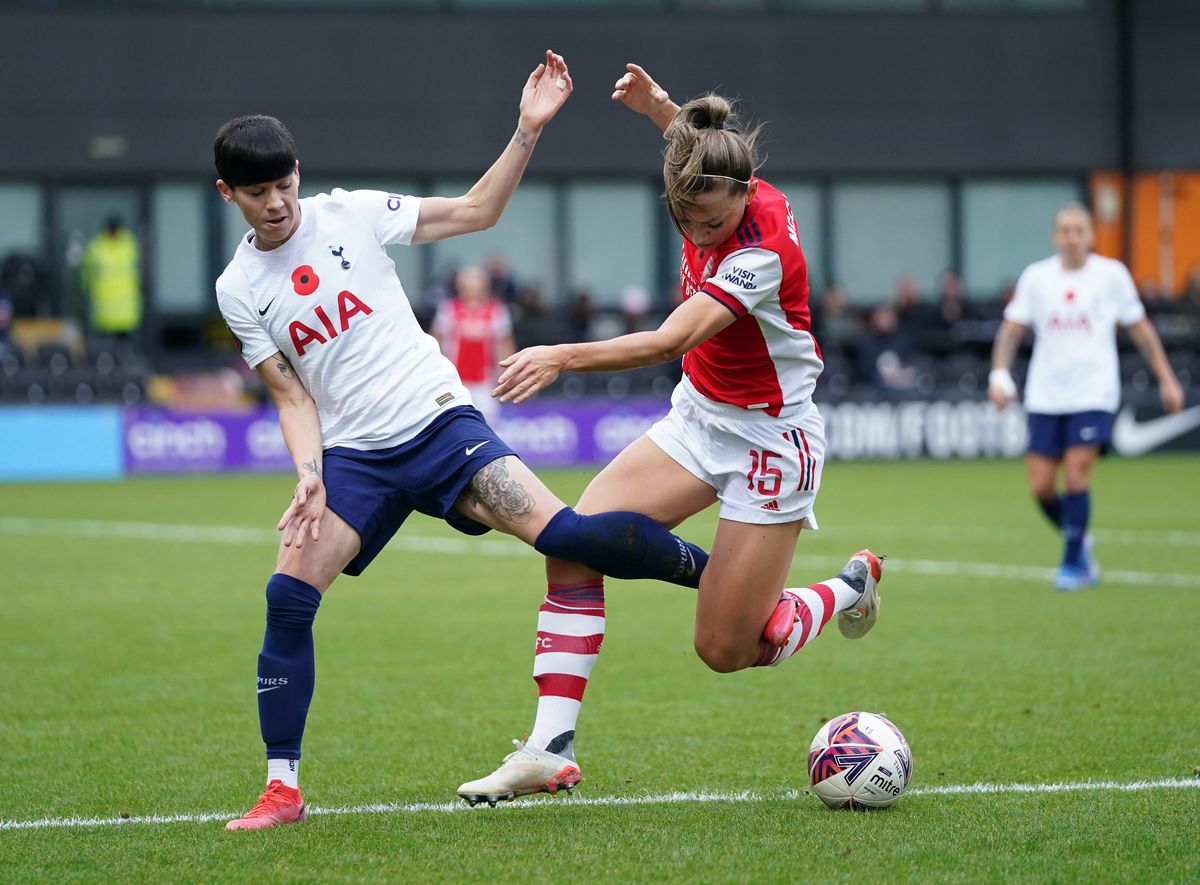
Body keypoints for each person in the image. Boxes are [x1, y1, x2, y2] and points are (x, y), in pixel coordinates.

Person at [213, 52, 716, 831]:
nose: (277, 204)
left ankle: (742, 593)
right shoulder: (237, 287)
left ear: (298, 174)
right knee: (287, 596)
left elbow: (478, 210)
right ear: (229, 195)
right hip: (357, 462)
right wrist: (309, 473)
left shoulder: (349, 213)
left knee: (569, 534)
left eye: (285, 186)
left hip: (443, 425)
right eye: (258, 193)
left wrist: (526, 130)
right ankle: (282, 788)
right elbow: (289, 391)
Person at [456, 63, 883, 807]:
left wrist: (563, 354)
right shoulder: (707, 178)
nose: (699, 232)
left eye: (712, 222)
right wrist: (661, 110)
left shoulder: (761, 249)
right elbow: (695, 151)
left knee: (726, 649)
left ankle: (847, 587)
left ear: (747, 196)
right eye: (685, 220)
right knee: (573, 538)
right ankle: (548, 746)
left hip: (771, 444)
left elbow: (669, 338)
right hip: (699, 420)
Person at [987, 202, 1184, 591]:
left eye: (1080, 230)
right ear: (1055, 236)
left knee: (1077, 475)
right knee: (1041, 486)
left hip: (1094, 392)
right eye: (1066, 230)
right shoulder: (1037, 277)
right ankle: (1080, 539)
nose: (1073, 237)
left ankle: (1073, 565)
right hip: (1045, 395)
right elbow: (1011, 331)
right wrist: (998, 375)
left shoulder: (1111, 276)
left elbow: (1141, 331)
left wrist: (1167, 379)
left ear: (1091, 235)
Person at [431, 265, 514, 424]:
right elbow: (436, 341)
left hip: (485, 381)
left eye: (476, 283)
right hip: (455, 380)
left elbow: (504, 344)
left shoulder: (496, 310)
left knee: (487, 425)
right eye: (467, 284)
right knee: (454, 424)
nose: (472, 288)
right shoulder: (448, 309)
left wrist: (503, 375)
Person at [81, 216, 142, 346]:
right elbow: (86, 274)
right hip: (104, 310)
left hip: (126, 311)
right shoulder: (97, 246)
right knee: (105, 349)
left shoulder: (129, 245)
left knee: (122, 345)